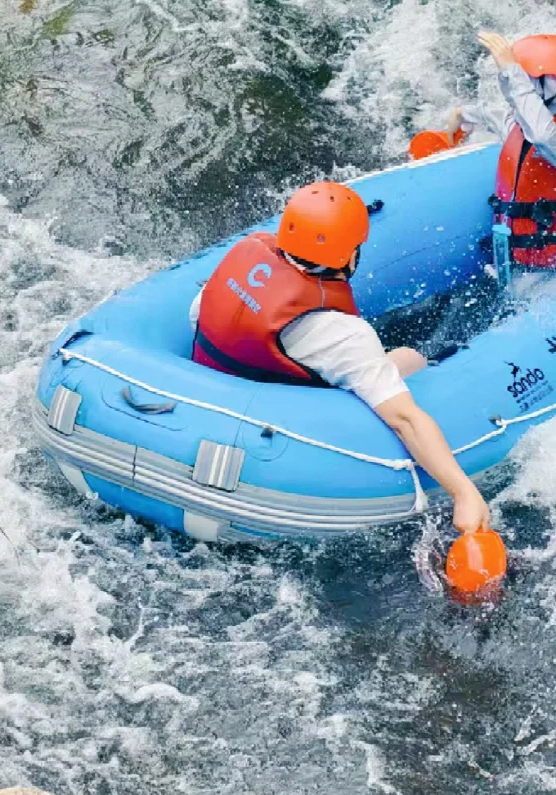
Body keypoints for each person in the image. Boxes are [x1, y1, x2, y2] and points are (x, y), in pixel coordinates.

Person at [189, 180, 491, 533]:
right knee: (411, 360)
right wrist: (464, 493)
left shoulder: (237, 267)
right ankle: (438, 364)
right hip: (284, 430)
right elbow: (404, 421)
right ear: (348, 256)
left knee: (405, 357)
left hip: (215, 393)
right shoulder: (343, 335)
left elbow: (200, 317)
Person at [455, 32, 556, 271]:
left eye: (526, 77)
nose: (519, 86)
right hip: (518, 263)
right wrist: (459, 117)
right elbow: (497, 117)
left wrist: (512, 70)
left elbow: (544, 137)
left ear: (555, 81)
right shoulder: (526, 122)